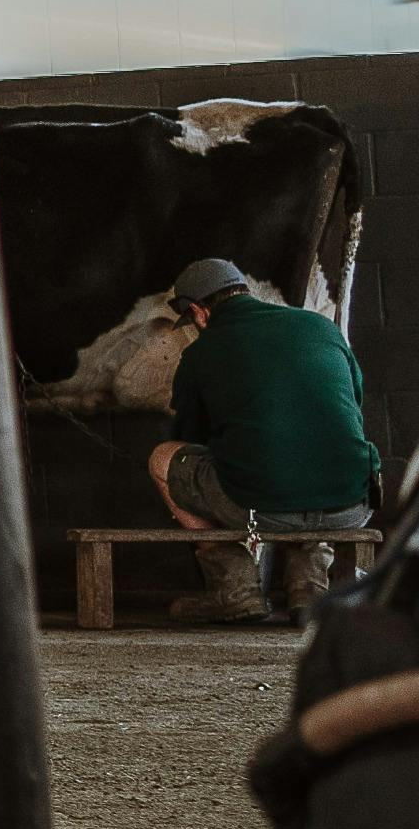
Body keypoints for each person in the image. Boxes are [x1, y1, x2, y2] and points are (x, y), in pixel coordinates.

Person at [149, 253, 378, 625]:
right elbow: (353, 402)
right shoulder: (320, 328)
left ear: (199, 312)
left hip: (262, 506)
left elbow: (190, 437)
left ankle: (235, 590)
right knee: (313, 448)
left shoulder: (200, 353)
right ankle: (309, 589)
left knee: (163, 458)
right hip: (354, 501)